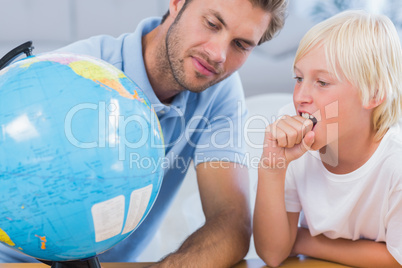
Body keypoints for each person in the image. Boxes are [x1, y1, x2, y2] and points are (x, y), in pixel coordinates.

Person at [0, 0, 288, 266]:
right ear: (177, 3)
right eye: (212, 24)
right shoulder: (71, 73)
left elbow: (232, 221)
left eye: (240, 44)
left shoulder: (219, 89)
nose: (218, 55)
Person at [253, 10, 402, 267]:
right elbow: (273, 254)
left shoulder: (396, 163)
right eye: (299, 78)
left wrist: (301, 241)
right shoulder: (292, 137)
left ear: (374, 95)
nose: (300, 97)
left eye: (321, 82)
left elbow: (396, 258)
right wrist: (271, 169)